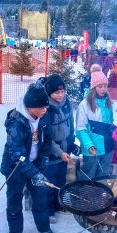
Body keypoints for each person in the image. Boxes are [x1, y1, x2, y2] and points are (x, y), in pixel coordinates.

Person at [0, 82, 56, 233]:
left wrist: (44, 158)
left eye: (46, 107)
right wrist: (34, 173)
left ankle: (43, 227)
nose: (45, 110)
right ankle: (15, 232)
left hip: (35, 163)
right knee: (14, 200)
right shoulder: (16, 122)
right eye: (42, 107)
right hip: (15, 167)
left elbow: (47, 141)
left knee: (40, 197)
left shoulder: (43, 117)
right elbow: (17, 154)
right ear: (31, 106)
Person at [42, 73, 76, 212]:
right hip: (51, 151)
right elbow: (46, 138)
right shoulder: (46, 109)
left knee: (61, 179)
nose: (61, 95)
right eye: (57, 93)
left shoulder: (67, 103)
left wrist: (72, 143)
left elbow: (71, 125)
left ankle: (59, 204)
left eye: (62, 91)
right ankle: (49, 210)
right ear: (50, 93)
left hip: (65, 148)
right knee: (50, 182)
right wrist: (59, 152)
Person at [74, 70, 115, 182]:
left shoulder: (108, 102)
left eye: (105, 86)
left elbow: (110, 123)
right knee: (89, 177)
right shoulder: (84, 105)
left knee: (103, 178)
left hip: (107, 148)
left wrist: (116, 132)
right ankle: (85, 197)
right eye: (100, 86)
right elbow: (80, 129)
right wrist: (89, 145)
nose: (103, 89)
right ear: (93, 87)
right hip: (92, 150)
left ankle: (102, 198)